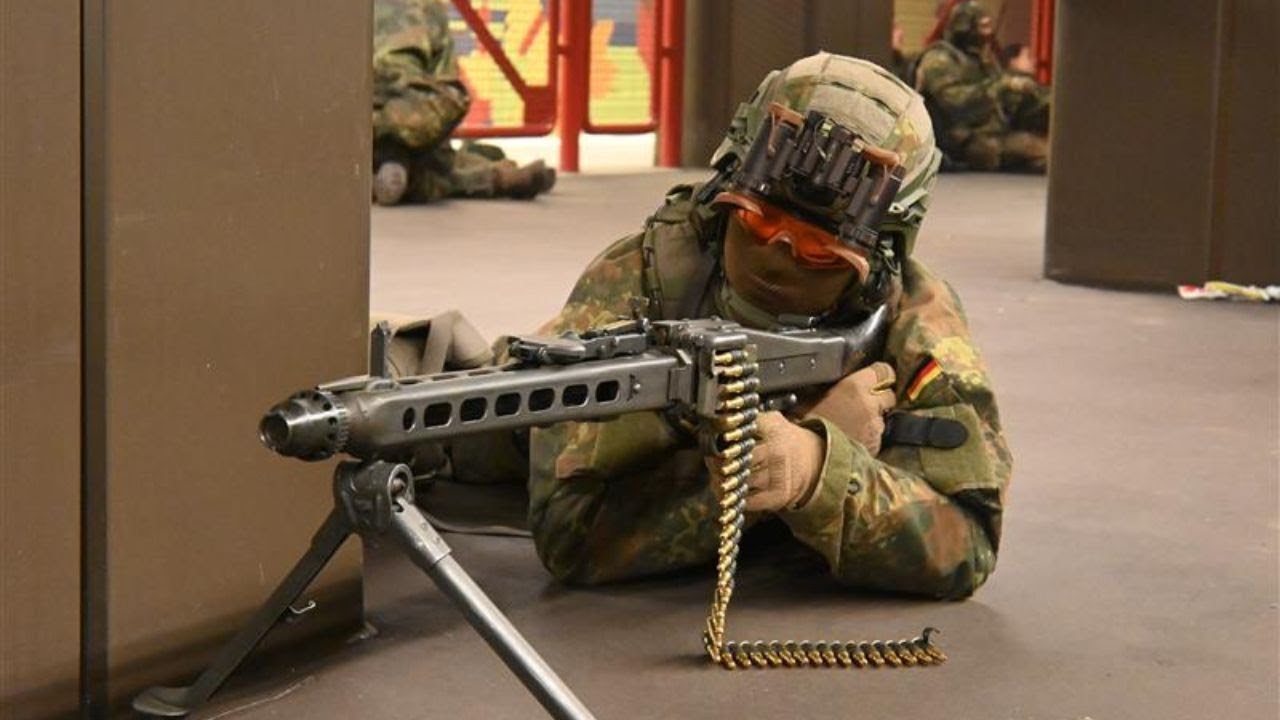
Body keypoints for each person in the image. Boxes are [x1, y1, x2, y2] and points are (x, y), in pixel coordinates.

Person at [525, 52, 1012, 600]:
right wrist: (801, 436)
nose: (780, 256)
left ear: (880, 260)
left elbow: (967, 545)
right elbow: (571, 535)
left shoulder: (916, 324)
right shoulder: (648, 274)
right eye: (759, 219)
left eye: (821, 249)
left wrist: (816, 471)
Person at [372, 0, 556, 205]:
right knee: (438, 164)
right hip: (407, 116)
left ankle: (390, 168)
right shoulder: (427, 9)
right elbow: (444, 82)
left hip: (355, 122)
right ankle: (495, 178)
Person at [913, 1, 1050, 172]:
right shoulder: (938, 59)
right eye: (982, 26)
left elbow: (998, 92)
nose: (987, 33)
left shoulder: (981, 58)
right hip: (965, 140)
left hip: (994, 130)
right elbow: (956, 103)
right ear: (965, 28)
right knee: (1046, 154)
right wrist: (1002, 86)